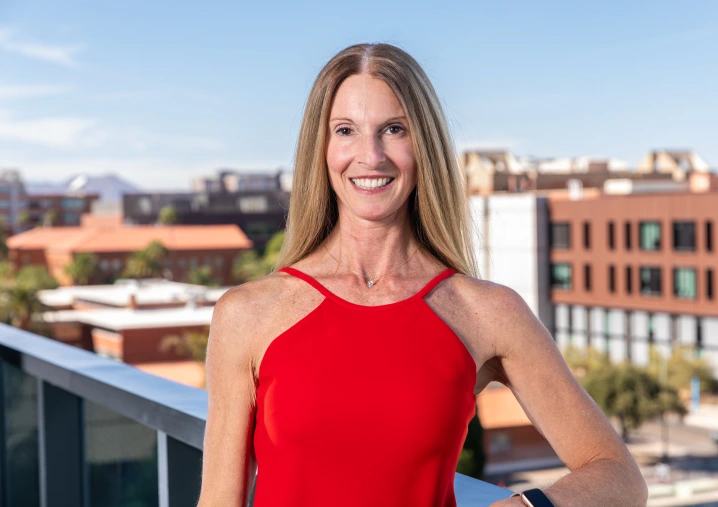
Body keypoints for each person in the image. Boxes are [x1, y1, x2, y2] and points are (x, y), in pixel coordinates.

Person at [196, 43, 648, 507]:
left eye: (394, 129)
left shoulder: (486, 312)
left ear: (423, 144)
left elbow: (620, 478)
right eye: (346, 130)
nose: (370, 156)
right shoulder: (248, 315)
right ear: (322, 148)